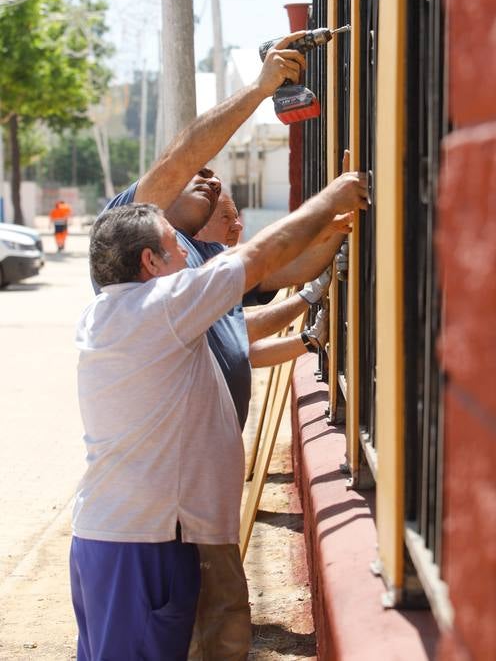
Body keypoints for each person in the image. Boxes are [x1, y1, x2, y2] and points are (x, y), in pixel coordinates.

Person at [96, 34, 351, 658]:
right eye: (196, 177)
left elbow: (285, 268)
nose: (208, 179)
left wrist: (340, 234)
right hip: (157, 524)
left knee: (218, 634)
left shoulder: (191, 259)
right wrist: (261, 91)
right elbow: (188, 161)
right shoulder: (138, 247)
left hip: (196, 511)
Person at [72, 173, 368, 661]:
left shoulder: (124, 311)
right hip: (144, 541)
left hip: (135, 535)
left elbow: (242, 317)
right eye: (175, 247)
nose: (187, 256)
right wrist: (329, 199)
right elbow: (257, 259)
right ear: (149, 262)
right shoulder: (159, 307)